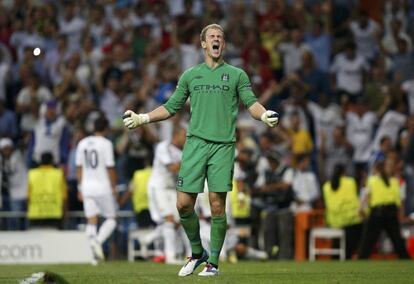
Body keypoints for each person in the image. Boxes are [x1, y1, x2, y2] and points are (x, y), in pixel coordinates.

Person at [123, 23, 279, 277]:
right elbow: (172, 106)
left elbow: (251, 104)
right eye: (212, 37)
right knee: (183, 205)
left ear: (223, 44)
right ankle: (197, 253)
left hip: (223, 147)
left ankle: (213, 263)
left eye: (220, 37)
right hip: (195, 145)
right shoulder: (190, 75)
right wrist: (142, 118)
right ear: (203, 44)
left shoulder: (237, 74)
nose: (216, 39)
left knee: (217, 206)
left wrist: (264, 116)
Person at [76, 116, 118, 264]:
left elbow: (79, 167)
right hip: (103, 186)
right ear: (106, 129)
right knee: (112, 219)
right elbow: (110, 167)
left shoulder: (82, 143)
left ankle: (93, 257)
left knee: (91, 220)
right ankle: (98, 241)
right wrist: (114, 187)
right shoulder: (106, 144)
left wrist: (79, 188)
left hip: (87, 187)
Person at [358, 158, 410, 259]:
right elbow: (367, 196)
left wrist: (360, 209)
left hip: (384, 213)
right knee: (394, 240)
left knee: (370, 241)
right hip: (384, 213)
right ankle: (405, 259)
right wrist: (361, 208)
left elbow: (367, 196)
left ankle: (361, 260)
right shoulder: (386, 181)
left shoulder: (382, 181)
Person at [322, 164, 362, 259]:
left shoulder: (326, 186)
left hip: (334, 222)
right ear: (344, 172)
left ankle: (336, 260)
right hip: (351, 221)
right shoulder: (350, 182)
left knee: (338, 247)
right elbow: (355, 202)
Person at [27, 152, 67, 229]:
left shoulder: (31, 174)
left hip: (35, 214)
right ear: (52, 161)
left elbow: (28, 197)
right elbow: (64, 197)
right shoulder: (59, 174)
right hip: (54, 214)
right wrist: (65, 212)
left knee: (36, 239)